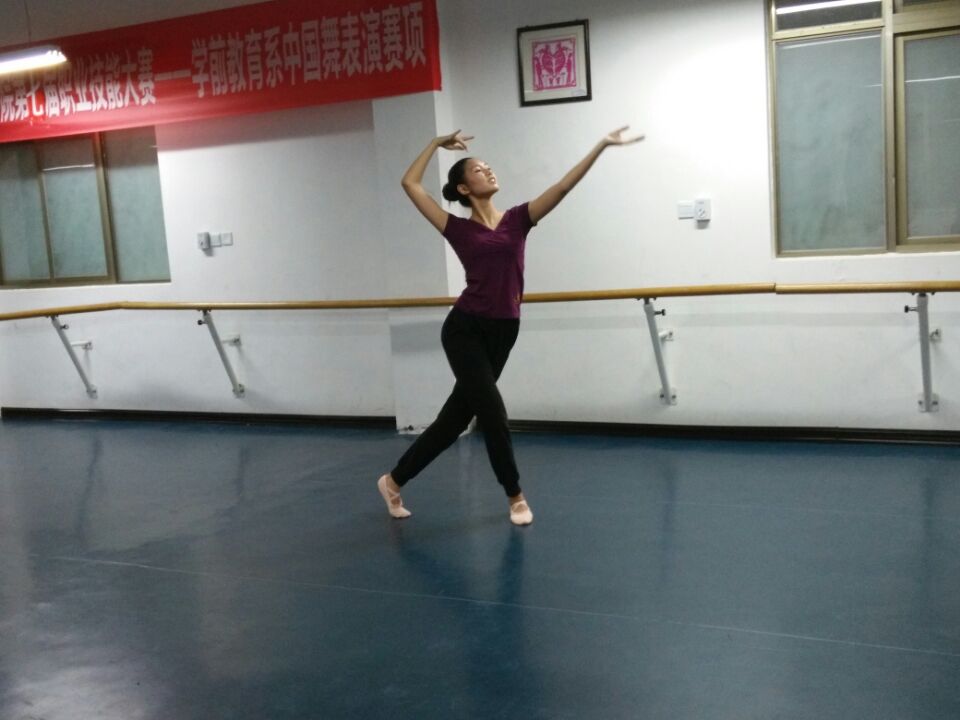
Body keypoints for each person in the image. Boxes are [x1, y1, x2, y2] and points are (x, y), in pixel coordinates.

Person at [377, 126, 644, 525]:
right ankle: (515, 495)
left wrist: (601, 146)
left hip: (504, 330)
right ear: (464, 189)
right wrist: (433, 143)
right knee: (493, 412)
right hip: (465, 329)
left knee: (452, 422)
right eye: (478, 169)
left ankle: (394, 481)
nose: (488, 171)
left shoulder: (518, 219)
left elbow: (562, 187)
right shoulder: (456, 228)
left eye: (488, 166)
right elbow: (410, 184)